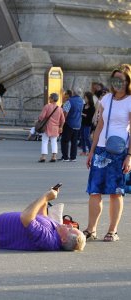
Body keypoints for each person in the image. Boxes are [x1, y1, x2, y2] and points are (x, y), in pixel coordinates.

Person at [84, 64, 131, 242]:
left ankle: (113, 230)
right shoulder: (107, 99)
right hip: (101, 149)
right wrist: (91, 151)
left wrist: (129, 156)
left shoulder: (130, 100)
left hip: (119, 151)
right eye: (115, 79)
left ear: (127, 82)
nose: (117, 83)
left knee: (115, 192)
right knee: (94, 191)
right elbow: (99, 127)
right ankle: (91, 229)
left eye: (121, 80)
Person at [38, 93, 65, 162]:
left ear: (52, 99)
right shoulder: (59, 109)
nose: (49, 98)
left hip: (47, 127)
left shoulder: (47, 106)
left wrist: (38, 120)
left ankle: (43, 157)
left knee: (44, 141)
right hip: (55, 128)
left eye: (50, 97)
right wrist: (61, 127)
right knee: (54, 142)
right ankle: (54, 156)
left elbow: (41, 117)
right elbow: (63, 120)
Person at [60, 87, 84, 162]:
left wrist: (62, 122)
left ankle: (65, 157)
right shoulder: (82, 101)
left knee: (65, 140)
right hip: (78, 124)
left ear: (73, 93)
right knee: (74, 141)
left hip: (69, 123)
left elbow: (65, 113)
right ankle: (73, 157)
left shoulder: (69, 101)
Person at [80, 92, 95, 156]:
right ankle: (84, 151)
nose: (85, 99)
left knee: (87, 137)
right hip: (82, 123)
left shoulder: (92, 107)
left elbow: (90, 116)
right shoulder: (83, 105)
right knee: (82, 137)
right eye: (84, 98)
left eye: (86, 98)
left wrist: (82, 114)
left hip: (88, 124)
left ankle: (91, 150)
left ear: (89, 98)